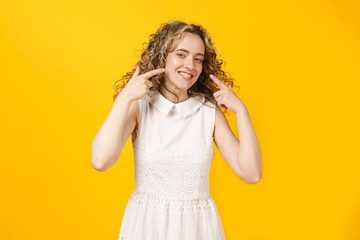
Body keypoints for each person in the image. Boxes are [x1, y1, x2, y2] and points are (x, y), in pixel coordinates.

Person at [91, 20, 262, 240]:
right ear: (163, 56)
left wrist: (242, 111)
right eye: (181, 54)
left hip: (198, 229)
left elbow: (252, 173)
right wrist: (124, 98)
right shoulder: (139, 106)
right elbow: (100, 161)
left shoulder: (208, 112)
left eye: (198, 58)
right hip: (146, 227)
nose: (190, 65)